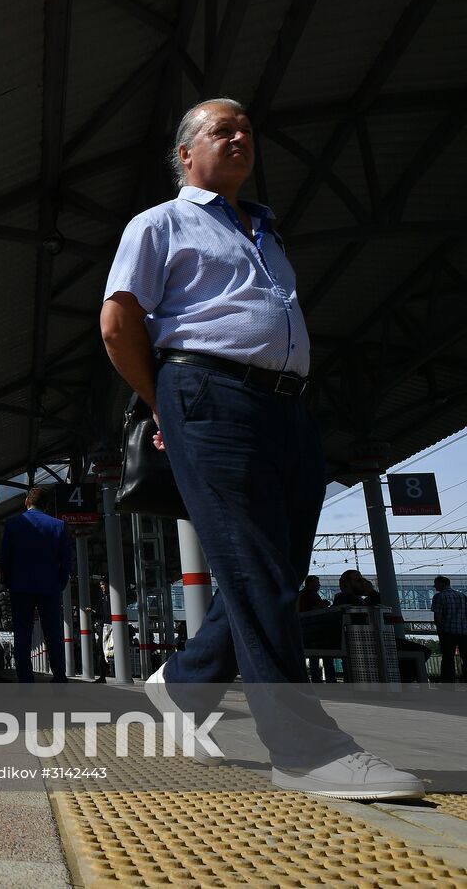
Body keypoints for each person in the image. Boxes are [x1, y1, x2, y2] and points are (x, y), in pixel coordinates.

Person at [100, 97, 422, 799]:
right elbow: (118, 322)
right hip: (209, 395)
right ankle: (303, 747)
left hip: (287, 407)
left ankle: (184, 686)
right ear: (187, 154)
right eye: (223, 128)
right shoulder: (160, 223)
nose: (241, 135)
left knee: (277, 566)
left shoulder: (266, 233)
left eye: (247, 128)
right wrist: (165, 403)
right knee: (254, 567)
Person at [0, 486, 71, 683]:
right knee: (53, 633)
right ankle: (59, 675)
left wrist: (9, 582)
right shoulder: (58, 525)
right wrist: (60, 584)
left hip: (20, 588)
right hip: (49, 588)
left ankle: (26, 679)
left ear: (26, 502)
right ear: (46, 506)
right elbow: (66, 561)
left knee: (22, 633)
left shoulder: (13, 524)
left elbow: (5, 558)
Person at [298, 576, 337, 683]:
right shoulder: (309, 595)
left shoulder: (303, 594)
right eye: (317, 582)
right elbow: (309, 610)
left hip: (310, 631)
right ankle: (330, 679)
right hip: (316, 631)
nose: (319, 584)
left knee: (313, 657)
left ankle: (317, 679)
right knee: (326, 657)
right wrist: (323, 605)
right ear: (310, 583)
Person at [431, 576, 467, 684]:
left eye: (436, 584)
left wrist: (439, 630)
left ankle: (448, 684)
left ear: (442, 584)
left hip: (447, 632)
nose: (435, 586)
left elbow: (438, 616)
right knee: (466, 657)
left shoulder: (439, 597)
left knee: (448, 658)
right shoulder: (462, 596)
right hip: (464, 633)